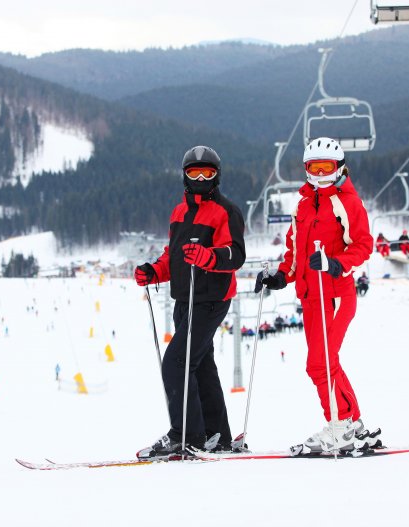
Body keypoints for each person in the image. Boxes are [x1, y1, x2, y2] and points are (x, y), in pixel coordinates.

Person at [255, 137, 378, 455]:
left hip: (336, 294)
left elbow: (363, 244)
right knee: (325, 363)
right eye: (314, 167)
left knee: (320, 364)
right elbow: (295, 251)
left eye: (327, 167)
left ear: (339, 168)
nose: (321, 174)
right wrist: (281, 275)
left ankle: (339, 427)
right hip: (311, 297)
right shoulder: (303, 205)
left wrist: (337, 264)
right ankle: (352, 423)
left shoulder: (347, 202)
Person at [134, 145, 246, 458]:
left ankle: (186, 435)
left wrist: (209, 257)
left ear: (217, 176)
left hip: (211, 299)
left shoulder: (226, 211)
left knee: (176, 363)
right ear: (184, 176)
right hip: (184, 300)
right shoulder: (179, 212)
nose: (200, 178)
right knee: (199, 367)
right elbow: (173, 257)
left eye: (207, 172)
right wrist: (154, 272)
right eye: (193, 172)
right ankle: (217, 435)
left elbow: (236, 255)